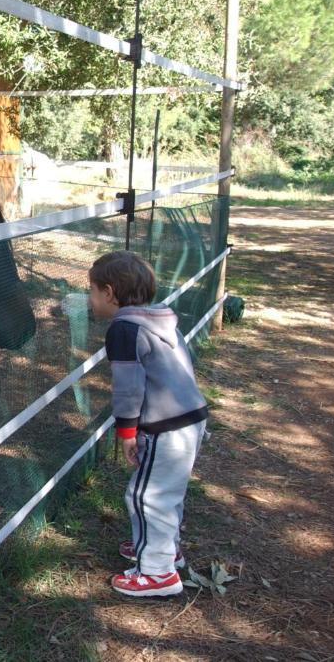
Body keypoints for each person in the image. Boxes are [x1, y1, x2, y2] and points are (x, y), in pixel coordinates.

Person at [87, 250, 209, 597]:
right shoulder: (159, 318)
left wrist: (126, 430)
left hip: (165, 426)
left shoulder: (124, 329)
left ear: (109, 292)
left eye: (92, 290)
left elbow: (129, 386)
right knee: (167, 491)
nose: (90, 298)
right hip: (190, 418)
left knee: (146, 495)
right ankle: (164, 548)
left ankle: (158, 573)